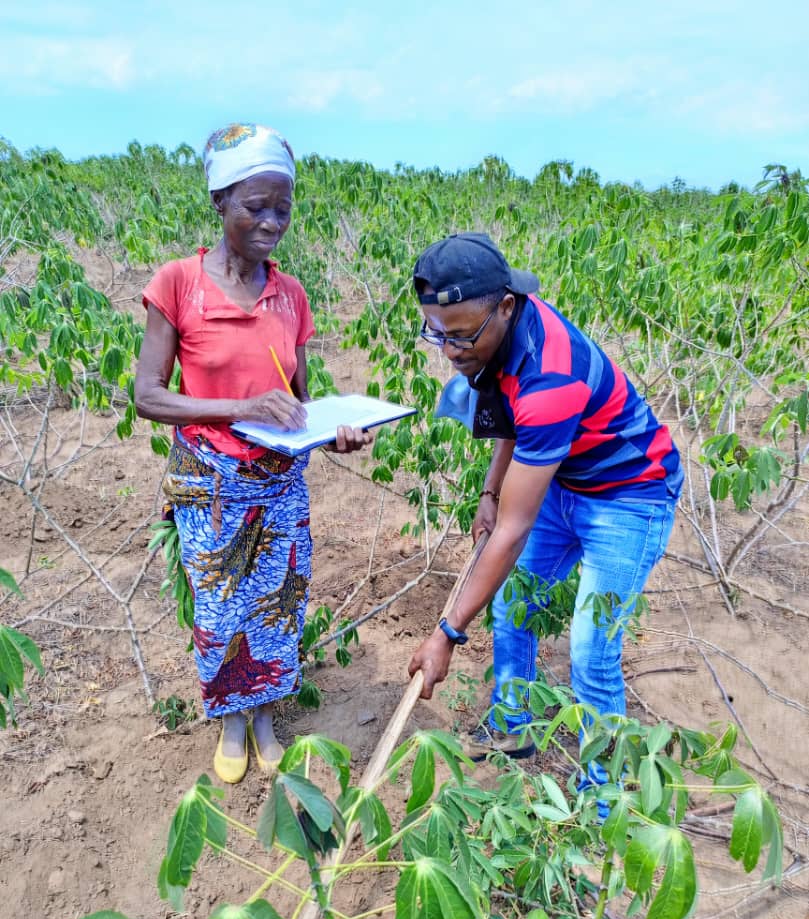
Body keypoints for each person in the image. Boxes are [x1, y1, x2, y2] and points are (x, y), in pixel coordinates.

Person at [135, 123, 370, 784]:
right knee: (218, 612)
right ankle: (232, 721)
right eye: (254, 207)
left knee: (278, 604)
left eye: (282, 210)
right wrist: (238, 408)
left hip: (278, 486)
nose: (271, 222)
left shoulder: (289, 293)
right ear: (219, 203)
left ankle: (265, 715)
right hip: (210, 482)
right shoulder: (179, 284)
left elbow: (295, 400)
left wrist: (337, 430)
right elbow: (149, 397)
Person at [408, 233, 682, 775]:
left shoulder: (551, 377)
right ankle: (513, 728)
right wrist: (490, 491)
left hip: (631, 496)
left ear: (506, 306)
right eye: (437, 335)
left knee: (591, 652)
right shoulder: (506, 331)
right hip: (567, 479)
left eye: (463, 337)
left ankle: (603, 792)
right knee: (513, 603)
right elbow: (511, 411)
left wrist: (448, 633)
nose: (451, 351)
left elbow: (511, 531)